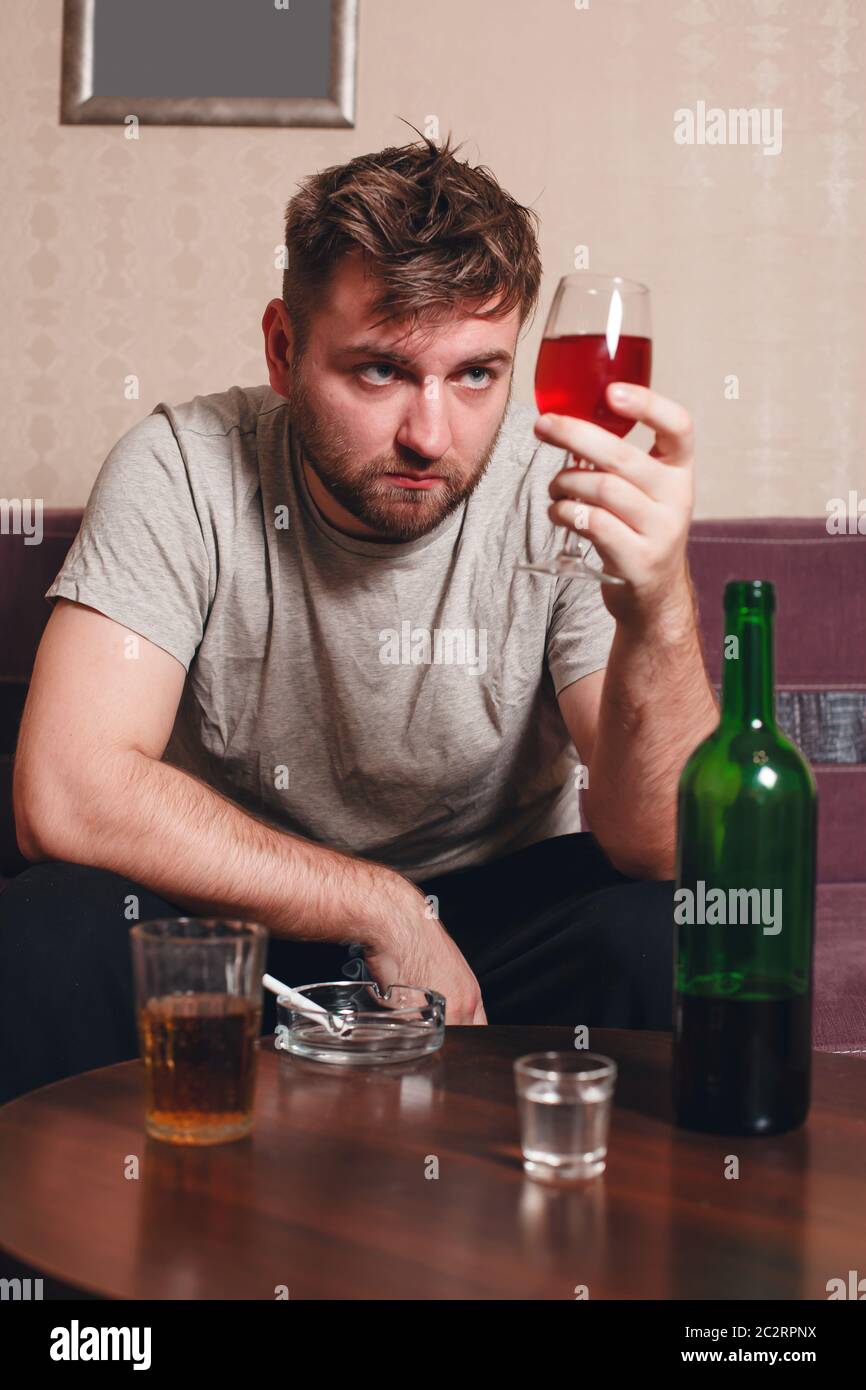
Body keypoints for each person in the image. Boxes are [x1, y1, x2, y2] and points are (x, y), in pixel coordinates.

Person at [2, 132, 719, 1104]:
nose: (430, 434)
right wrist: (376, 904)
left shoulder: (561, 482)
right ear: (284, 350)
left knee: (674, 926)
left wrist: (659, 606)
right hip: (236, 928)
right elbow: (65, 791)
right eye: (380, 370)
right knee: (49, 931)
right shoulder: (182, 464)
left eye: (475, 374)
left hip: (485, 937)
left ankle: (593, 1254)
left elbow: (663, 843)